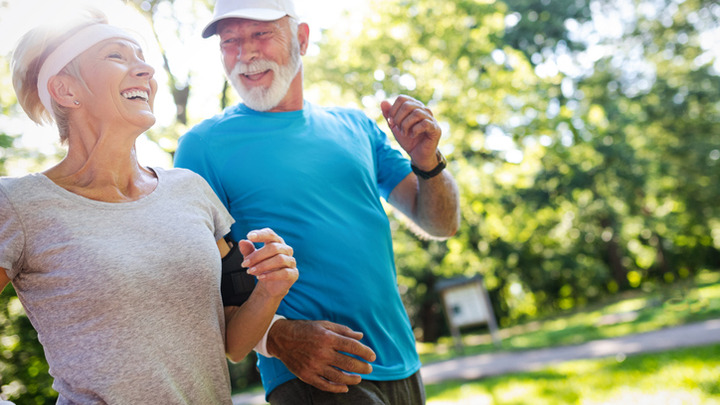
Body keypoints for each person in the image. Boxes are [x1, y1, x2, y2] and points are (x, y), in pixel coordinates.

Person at [0, 7, 298, 404]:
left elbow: (232, 343)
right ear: (66, 90)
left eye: (142, 58)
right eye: (117, 56)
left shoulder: (191, 190)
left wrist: (269, 291)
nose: (145, 71)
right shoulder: (19, 204)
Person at [174, 0, 461, 403]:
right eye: (230, 41)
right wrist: (278, 338)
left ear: (302, 39)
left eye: (261, 34)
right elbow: (202, 293)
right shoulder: (202, 147)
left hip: (403, 364)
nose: (246, 52)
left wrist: (428, 163)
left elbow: (440, 224)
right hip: (311, 375)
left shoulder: (357, 127)